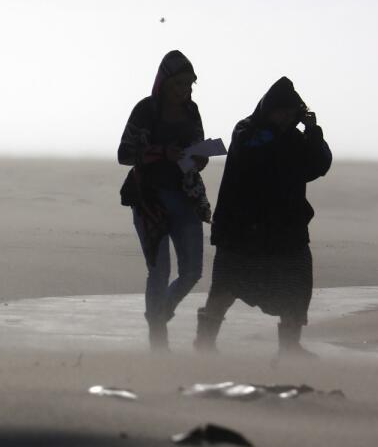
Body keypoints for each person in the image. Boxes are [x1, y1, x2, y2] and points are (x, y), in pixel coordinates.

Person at [194, 77, 332, 356]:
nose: (285, 117)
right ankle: (205, 342)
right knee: (225, 288)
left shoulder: (295, 139)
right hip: (242, 228)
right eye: (280, 111)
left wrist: (313, 130)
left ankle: (290, 347)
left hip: (286, 230)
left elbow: (319, 164)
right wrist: (285, 134)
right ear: (267, 109)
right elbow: (254, 151)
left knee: (297, 286)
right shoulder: (247, 131)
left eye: (290, 112)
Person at [118, 50, 212, 351]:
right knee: (159, 271)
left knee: (193, 271)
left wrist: (197, 157)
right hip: (149, 201)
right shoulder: (145, 110)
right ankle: (157, 334)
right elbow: (124, 154)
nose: (184, 91)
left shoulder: (192, 111)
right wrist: (161, 153)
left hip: (186, 197)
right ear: (164, 83)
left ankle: (159, 315)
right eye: (179, 84)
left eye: (189, 85)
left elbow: (200, 152)